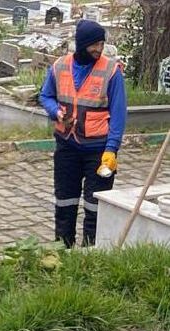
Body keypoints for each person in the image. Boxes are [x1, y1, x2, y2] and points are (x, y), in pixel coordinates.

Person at [39, 19, 126, 248]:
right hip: (67, 147)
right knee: (65, 202)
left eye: (101, 44)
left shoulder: (111, 71)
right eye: (94, 44)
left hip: (98, 150)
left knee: (95, 206)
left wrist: (112, 149)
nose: (99, 49)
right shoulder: (60, 66)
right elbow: (45, 95)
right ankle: (63, 250)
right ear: (83, 44)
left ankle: (90, 253)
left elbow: (118, 114)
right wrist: (55, 111)